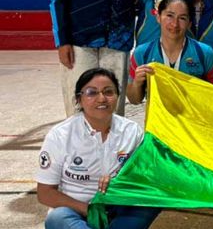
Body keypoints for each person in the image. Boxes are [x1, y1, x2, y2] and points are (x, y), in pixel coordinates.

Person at [36, 68, 160, 229]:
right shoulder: (60, 135)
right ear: (79, 99)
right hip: (76, 210)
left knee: (151, 201)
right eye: (91, 93)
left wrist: (118, 181)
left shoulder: (132, 131)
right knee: (57, 218)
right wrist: (88, 209)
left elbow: (144, 179)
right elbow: (45, 193)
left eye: (109, 92)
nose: (102, 99)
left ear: (118, 96)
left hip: (118, 206)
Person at [127, 0, 213, 104]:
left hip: (194, 119)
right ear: (158, 17)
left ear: (189, 23)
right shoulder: (142, 53)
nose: (175, 24)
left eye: (182, 18)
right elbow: (134, 100)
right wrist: (137, 83)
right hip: (158, 119)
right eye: (169, 16)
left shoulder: (205, 53)